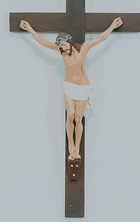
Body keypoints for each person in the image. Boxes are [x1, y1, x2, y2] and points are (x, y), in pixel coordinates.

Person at [20, 16, 123, 163]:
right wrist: (29, 29)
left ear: (69, 41)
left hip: (82, 87)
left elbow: (101, 38)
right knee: (70, 116)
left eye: (63, 45)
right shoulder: (61, 51)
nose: (61, 48)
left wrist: (112, 26)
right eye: (59, 47)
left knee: (78, 118)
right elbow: (42, 41)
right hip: (69, 86)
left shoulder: (84, 48)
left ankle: (77, 148)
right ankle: (71, 147)